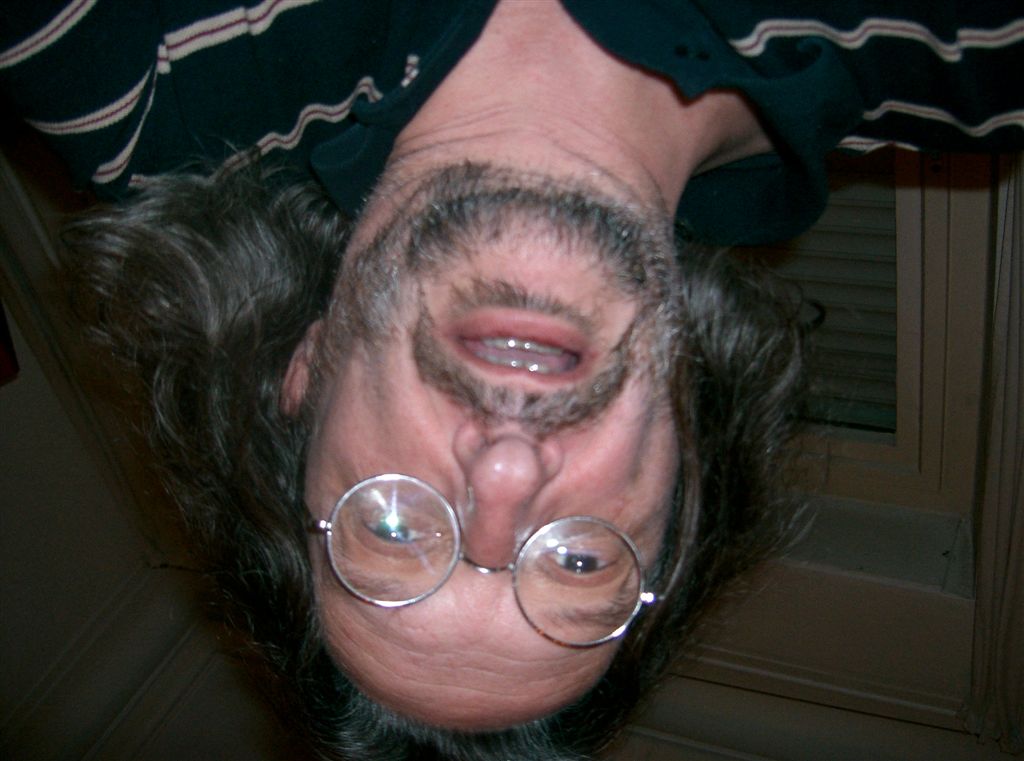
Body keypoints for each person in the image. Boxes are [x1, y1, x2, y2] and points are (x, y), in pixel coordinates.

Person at [3, 2, 1022, 759]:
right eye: (577, 561)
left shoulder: (129, 77)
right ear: (687, 464)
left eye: (390, 528)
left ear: (299, 378)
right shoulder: (979, 55)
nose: (504, 473)